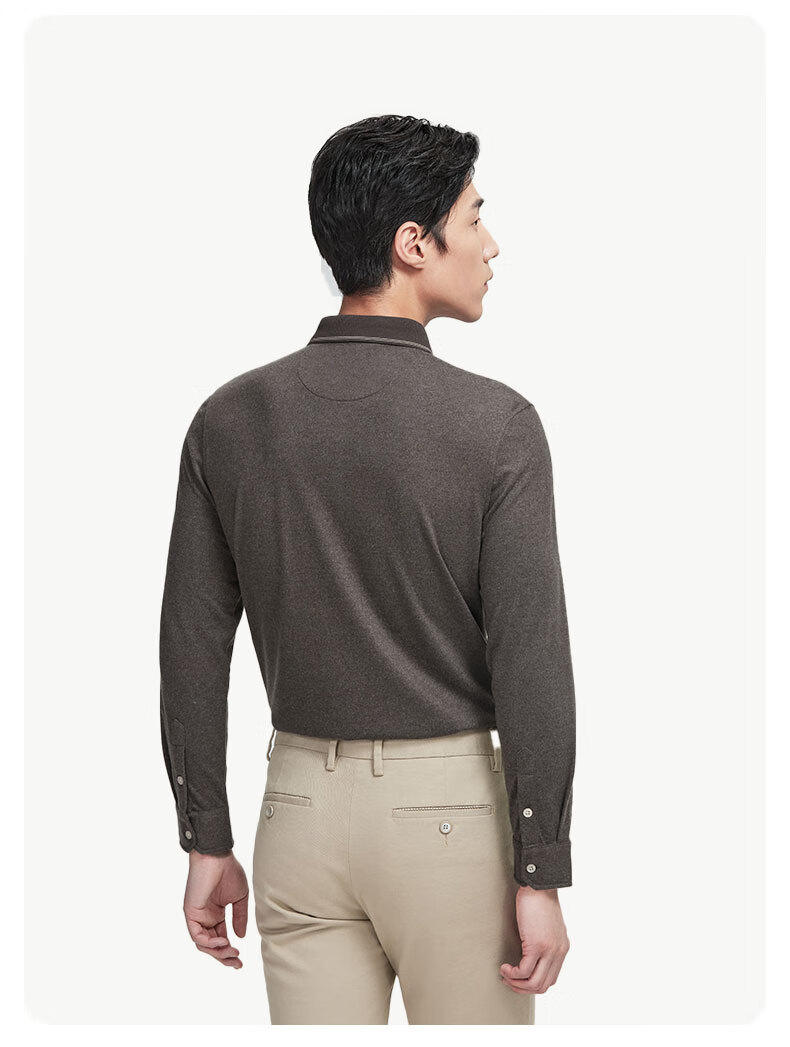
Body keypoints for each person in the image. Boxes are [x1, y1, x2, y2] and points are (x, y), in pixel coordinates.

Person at [159, 114, 576, 1025]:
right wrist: (541, 865)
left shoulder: (229, 419)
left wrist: (205, 837)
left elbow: (190, 644)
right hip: (450, 824)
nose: (492, 244)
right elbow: (531, 658)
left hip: (296, 812)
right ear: (412, 244)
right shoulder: (497, 426)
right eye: (475, 218)